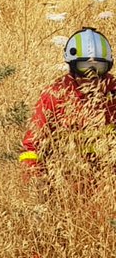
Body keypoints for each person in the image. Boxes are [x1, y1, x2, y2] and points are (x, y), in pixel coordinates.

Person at [20, 27, 116, 176]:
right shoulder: (54, 95)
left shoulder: (113, 93)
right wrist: (34, 181)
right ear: (72, 67)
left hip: (108, 181)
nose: (91, 75)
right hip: (66, 180)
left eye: (99, 67)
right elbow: (32, 146)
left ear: (108, 67)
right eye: (84, 67)